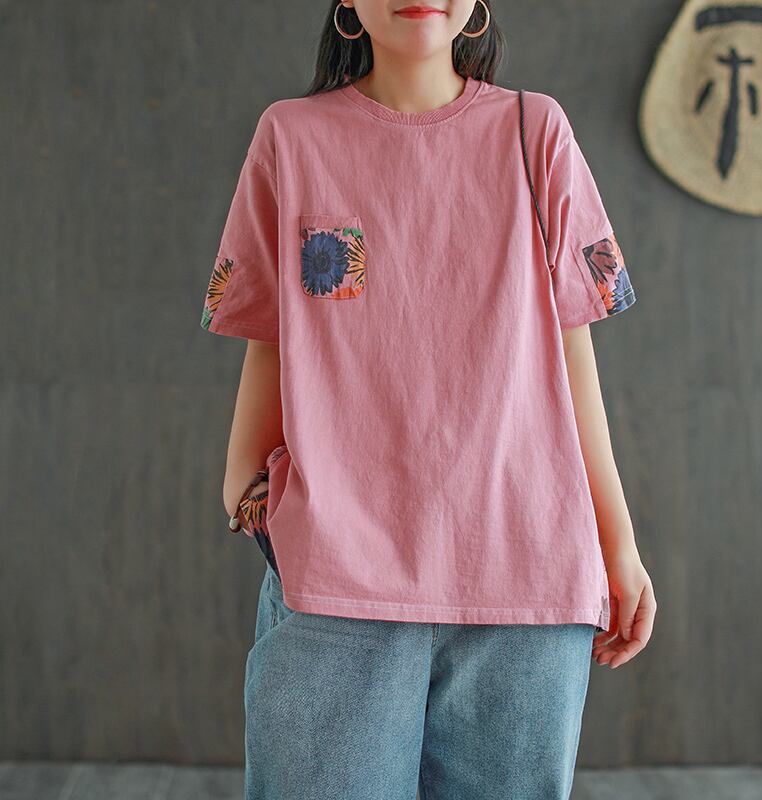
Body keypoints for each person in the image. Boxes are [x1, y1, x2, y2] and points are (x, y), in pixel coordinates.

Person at [200, 1, 657, 798]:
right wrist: (244, 490)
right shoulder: (291, 137)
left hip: (525, 584)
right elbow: (271, 333)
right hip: (337, 585)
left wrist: (618, 546)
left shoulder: (535, 132)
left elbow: (571, 356)